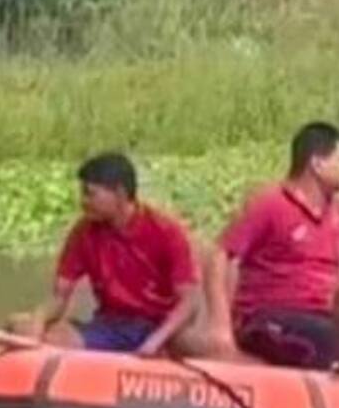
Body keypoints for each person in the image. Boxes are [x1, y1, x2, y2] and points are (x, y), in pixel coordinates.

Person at [14, 152, 217, 357]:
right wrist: (38, 320)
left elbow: (190, 301)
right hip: (111, 326)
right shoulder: (84, 232)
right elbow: (59, 297)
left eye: (90, 194)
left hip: (161, 327)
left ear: (119, 193)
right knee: (21, 326)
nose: (83, 202)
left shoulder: (166, 230)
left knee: (199, 346)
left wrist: (156, 341)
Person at [205, 122, 339, 368]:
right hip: (270, 315)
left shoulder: (338, 212)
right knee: (324, 338)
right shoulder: (270, 204)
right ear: (317, 164)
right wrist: (220, 327)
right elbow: (221, 255)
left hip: (322, 314)